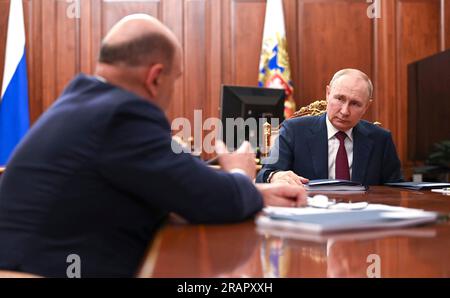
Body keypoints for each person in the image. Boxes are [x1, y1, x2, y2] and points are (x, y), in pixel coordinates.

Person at [0, 14, 306, 278]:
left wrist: (258, 192)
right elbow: (209, 199)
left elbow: (177, 183)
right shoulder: (120, 115)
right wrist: (240, 174)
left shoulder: (87, 102)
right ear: (156, 77)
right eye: (176, 79)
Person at [256, 69, 403, 186]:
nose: (345, 111)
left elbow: (395, 188)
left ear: (366, 106)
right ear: (328, 94)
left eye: (355, 103)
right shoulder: (294, 130)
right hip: (310, 215)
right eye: (340, 99)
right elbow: (264, 174)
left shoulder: (381, 139)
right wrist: (275, 176)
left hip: (362, 217)